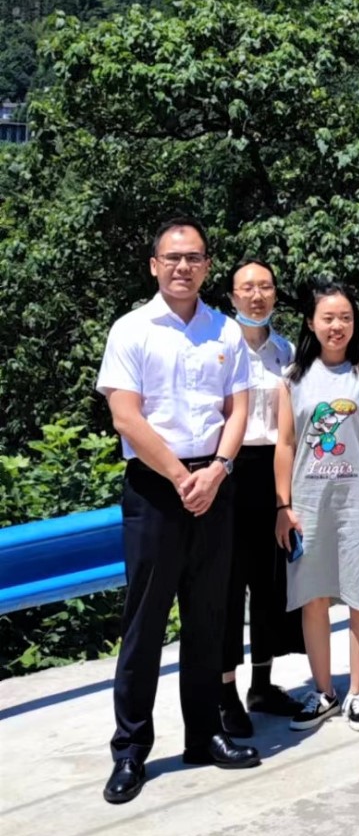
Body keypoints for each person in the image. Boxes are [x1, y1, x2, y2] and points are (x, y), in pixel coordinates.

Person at [96, 216, 259, 805]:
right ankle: (131, 749)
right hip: (156, 487)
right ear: (154, 265)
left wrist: (217, 469)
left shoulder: (225, 331)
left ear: (207, 265)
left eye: (193, 258)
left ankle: (204, 733)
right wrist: (180, 475)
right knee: (144, 622)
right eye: (173, 258)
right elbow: (126, 416)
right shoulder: (132, 329)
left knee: (209, 615)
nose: (183, 267)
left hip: (214, 483)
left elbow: (238, 409)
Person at [275, 280, 359, 733]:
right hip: (308, 504)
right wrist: (283, 506)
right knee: (314, 598)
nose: (337, 326)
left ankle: (357, 693)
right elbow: (285, 443)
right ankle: (324, 692)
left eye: (345, 317)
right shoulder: (292, 378)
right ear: (311, 323)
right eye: (328, 317)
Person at [218, 258, 305, 735]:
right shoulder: (219, 346)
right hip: (229, 471)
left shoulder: (285, 351)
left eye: (265, 287)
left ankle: (263, 683)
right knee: (229, 585)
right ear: (232, 296)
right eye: (247, 288)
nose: (257, 296)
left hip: (274, 468)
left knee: (271, 584)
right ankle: (226, 692)